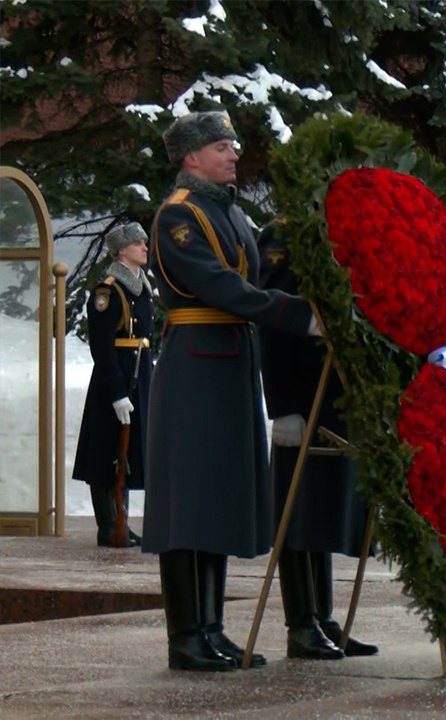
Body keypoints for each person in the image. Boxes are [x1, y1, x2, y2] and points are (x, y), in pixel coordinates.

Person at [142, 111, 320, 672]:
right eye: (222, 147)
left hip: (231, 361)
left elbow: (252, 281)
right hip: (196, 362)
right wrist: (297, 314)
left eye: (232, 145)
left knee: (215, 496)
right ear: (192, 157)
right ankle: (185, 635)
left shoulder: (230, 212)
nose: (234, 154)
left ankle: (212, 628)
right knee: (187, 500)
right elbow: (220, 286)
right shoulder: (179, 215)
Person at [256, 220, 378, 660]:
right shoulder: (287, 233)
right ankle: (301, 623)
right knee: (297, 511)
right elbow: (274, 320)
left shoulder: (342, 223)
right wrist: (282, 405)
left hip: (338, 393)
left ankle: (323, 618)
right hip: (304, 395)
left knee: (322, 509)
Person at [72, 221, 152, 548]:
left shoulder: (140, 286)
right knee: (108, 451)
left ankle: (121, 522)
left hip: (138, 373)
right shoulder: (108, 291)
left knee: (127, 450)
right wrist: (117, 392)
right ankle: (108, 526)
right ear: (121, 251)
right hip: (115, 377)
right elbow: (102, 347)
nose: (145, 247)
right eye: (137, 243)